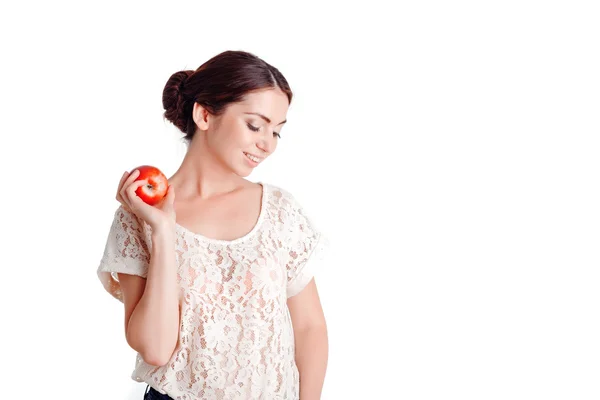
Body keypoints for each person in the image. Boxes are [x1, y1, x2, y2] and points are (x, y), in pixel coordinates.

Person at [96, 50, 330, 400]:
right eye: (255, 125)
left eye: (277, 132)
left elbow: (310, 327)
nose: (267, 145)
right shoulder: (138, 215)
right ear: (204, 115)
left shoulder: (280, 212)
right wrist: (162, 231)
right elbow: (156, 350)